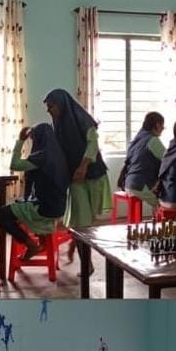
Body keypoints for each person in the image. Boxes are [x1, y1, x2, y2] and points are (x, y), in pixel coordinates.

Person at [43, 89, 112, 272]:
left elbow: (92, 144)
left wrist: (83, 166)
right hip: (75, 179)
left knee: (86, 222)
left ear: (61, 105)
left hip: (94, 175)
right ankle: (86, 263)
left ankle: (76, 244)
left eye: (51, 106)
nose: (49, 110)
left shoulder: (83, 120)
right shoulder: (57, 124)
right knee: (82, 222)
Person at [0, 123, 69, 261]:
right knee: (22, 205)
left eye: (34, 139)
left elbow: (15, 165)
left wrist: (20, 141)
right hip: (58, 208)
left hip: (43, 209)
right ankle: (43, 241)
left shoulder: (42, 156)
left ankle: (31, 245)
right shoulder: (60, 155)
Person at [117, 111, 165, 209]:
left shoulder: (138, 138)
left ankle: (155, 216)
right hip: (139, 185)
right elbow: (168, 160)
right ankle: (159, 217)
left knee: (157, 191)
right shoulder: (153, 140)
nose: (162, 129)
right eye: (162, 126)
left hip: (128, 183)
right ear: (157, 125)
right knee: (165, 204)